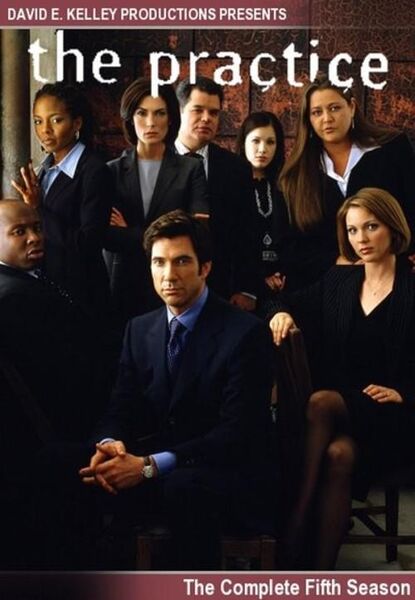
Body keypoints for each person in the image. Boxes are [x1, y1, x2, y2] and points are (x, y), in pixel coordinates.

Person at [80, 210, 274, 569]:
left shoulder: (246, 333)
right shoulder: (139, 329)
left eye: (182, 261)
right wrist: (109, 444)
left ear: (205, 268)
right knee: (67, 466)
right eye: (159, 262)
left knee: (183, 489)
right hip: (153, 468)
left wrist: (149, 466)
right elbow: (120, 406)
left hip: (222, 474)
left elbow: (236, 434)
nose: (169, 275)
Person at [269, 187, 415, 569]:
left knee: (321, 401)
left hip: (393, 417)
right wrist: (280, 314)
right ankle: (319, 578)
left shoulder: (411, 288)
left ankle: (295, 525)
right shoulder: (339, 281)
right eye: (352, 230)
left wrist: (404, 394)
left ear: (393, 228)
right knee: (338, 454)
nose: (361, 238)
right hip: (343, 420)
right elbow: (281, 300)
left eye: (371, 227)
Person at [278, 72, 415, 290]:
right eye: (317, 112)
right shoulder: (296, 175)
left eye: (334, 108)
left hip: (393, 279)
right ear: (308, 119)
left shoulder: (392, 150)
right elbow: (292, 246)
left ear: (351, 107)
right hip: (325, 286)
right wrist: (339, 261)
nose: (327, 119)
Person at [104, 78, 209, 322]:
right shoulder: (111, 171)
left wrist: (130, 232)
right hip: (123, 282)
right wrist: (170, 232)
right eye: (142, 113)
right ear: (130, 118)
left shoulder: (191, 169)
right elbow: (107, 237)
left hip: (174, 282)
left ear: (170, 118)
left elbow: (199, 232)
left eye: (160, 113)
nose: (151, 122)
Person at [11, 82, 113, 320]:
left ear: (76, 123)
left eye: (56, 120)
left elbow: (88, 243)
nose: (45, 130)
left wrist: (38, 208)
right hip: (46, 289)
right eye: (38, 121)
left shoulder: (94, 171)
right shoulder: (44, 169)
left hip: (82, 293)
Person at [175, 76, 259, 310]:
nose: (206, 118)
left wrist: (246, 289)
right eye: (198, 110)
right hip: (161, 287)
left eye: (213, 113)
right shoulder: (157, 160)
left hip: (220, 290)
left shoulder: (237, 168)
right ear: (179, 111)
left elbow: (248, 233)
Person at [236, 111, 286, 308]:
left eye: (270, 142)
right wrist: (255, 282)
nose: (262, 149)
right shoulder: (231, 183)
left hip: (283, 283)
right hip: (242, 287)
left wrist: (281, 274)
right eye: (255, 141)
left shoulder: (286, 186)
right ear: (243, 143)